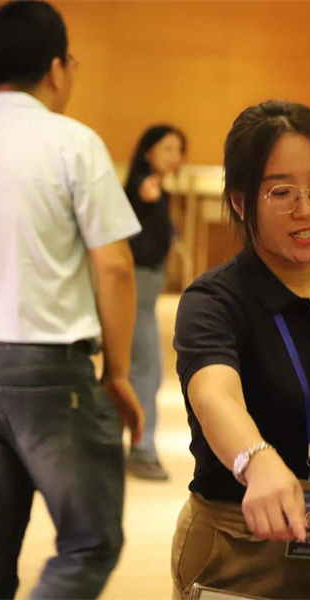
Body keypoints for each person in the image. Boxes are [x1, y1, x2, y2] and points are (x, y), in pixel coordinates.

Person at [171, 100, 310, 599]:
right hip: (238, 541)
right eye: (282, 192)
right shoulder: (213, 301)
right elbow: (215, 395)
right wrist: (257, 461)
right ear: (240, 202)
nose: (307, 210)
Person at [0, 1, 144, 597]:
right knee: (90, 541)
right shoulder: (73, 143)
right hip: (46, 368)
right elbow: (115, 266)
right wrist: (118, 372)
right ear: (58, 67)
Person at [123, 124, 187, 481]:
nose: (175, 157)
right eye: (167, 148)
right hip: (138, 291)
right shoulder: (144, 187)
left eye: (178, 150)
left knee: (140, 369)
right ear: (147, 151)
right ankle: (142, 449)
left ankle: (131, 445)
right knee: (145, 371)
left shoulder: (152, 186)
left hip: (144, 292)